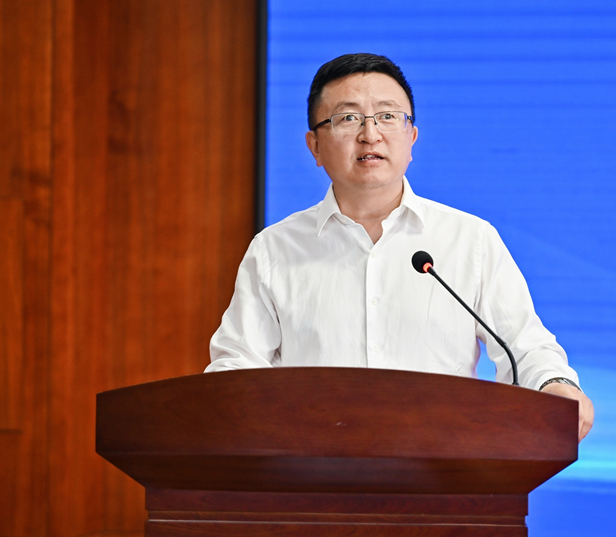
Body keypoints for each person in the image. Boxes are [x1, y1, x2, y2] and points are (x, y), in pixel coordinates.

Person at [206, 53, 594, 442]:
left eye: (388, 116)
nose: (370, 134)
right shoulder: (275, 250)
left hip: (444, 464)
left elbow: (524, 348)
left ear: (411, 138)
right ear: (315, 146)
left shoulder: (469, 240)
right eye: (348, 118)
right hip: (313, 465)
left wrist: (556, 385)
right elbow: (237, 366)